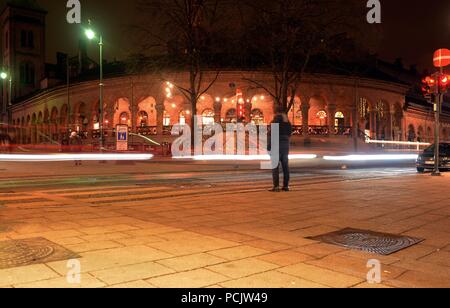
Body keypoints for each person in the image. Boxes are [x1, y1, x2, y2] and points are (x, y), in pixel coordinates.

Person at [268, 109, 293, 192]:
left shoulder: (274, 122)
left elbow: (271, 136)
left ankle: (276, 187)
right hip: (285, 147)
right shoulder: (288, 124)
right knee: (285, 167)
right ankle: (286, 186)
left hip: (275, 146)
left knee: (275, 167)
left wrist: (269, 148)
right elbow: (289, 135)